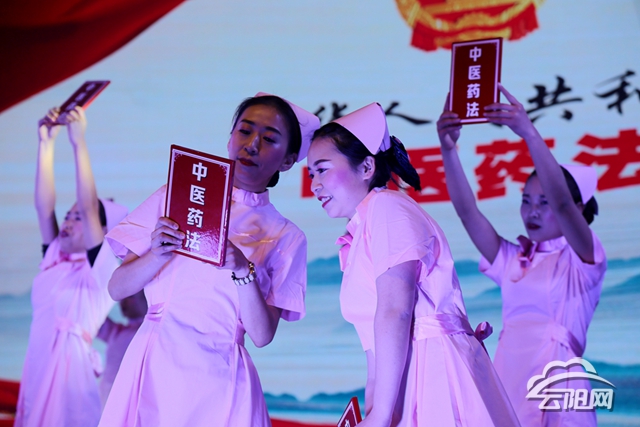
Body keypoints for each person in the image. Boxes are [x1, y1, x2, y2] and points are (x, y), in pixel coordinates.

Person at [98, 93, 320, 427]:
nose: (252, 145)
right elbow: (117, 288)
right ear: (230, 138)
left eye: (269, 139)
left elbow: (262, 335)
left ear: (287, 161)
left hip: (220, 376)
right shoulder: (175, 195)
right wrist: (157, 253)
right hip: (154, 360)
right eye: (245, 131)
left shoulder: (287, 236)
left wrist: (242, 270)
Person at [307, 103, 520, 427]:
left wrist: (381, 414)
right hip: (406, 381)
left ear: (367, 167)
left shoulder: (387, 208)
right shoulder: (364, 225)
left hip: (433, 370)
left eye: (322, 170)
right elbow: (375, 349)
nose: (314, 185)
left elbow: (396, 310)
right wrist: (377, 411)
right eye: (311, 174)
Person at [437, 84, 606, 427]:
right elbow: (468, 213)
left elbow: (562, 202)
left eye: (544, 202)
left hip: (557, 381)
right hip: (508, 377)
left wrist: (528, 132)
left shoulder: (583, 260)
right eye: (526, 201)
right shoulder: (515, 259)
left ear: (578, 209)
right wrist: (448, 149)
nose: (533, 211)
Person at [15, 106, 128, 427]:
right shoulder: (54, 260)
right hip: (38, 366)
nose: (67, 221)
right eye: (68, 214)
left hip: (68, 374)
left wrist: (78, 143)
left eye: (78, 218)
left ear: (102, 231)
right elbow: (44, 207)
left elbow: (90, 207)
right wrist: (46, 144)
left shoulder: (102, 270)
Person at [96, 290, 148, 408]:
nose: (124, 303)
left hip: (131, 404)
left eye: (131, 298)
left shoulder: (151, 334)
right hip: (106, 402)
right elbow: (93, 317)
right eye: (123, 299)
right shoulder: (116, 332)